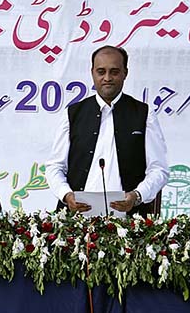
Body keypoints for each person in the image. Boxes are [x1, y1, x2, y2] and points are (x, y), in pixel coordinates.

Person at [45, 46, 169, 215]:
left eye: (114, 72)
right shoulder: (73, 113)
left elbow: (159, 170)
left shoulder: (143, 113)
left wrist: (137, 196)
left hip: (129, 222)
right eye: (101, 72)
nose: (107, 78)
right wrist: (66, 195)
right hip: (76, 221)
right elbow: (55, 167)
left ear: (125, 73)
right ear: (92, 73)